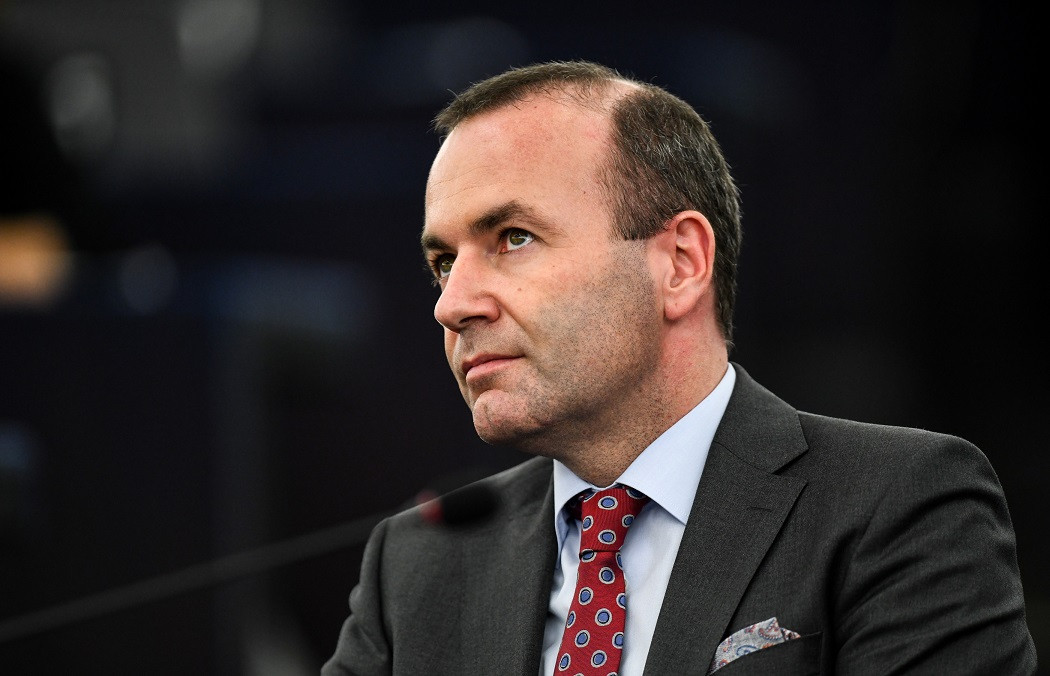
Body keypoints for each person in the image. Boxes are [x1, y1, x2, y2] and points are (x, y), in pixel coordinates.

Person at [322, 60, 1036, 675]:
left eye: (513, 238)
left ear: (681, 263)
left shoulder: (897, 507)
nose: (452, 304)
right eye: (443, 263)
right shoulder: (417, 563)